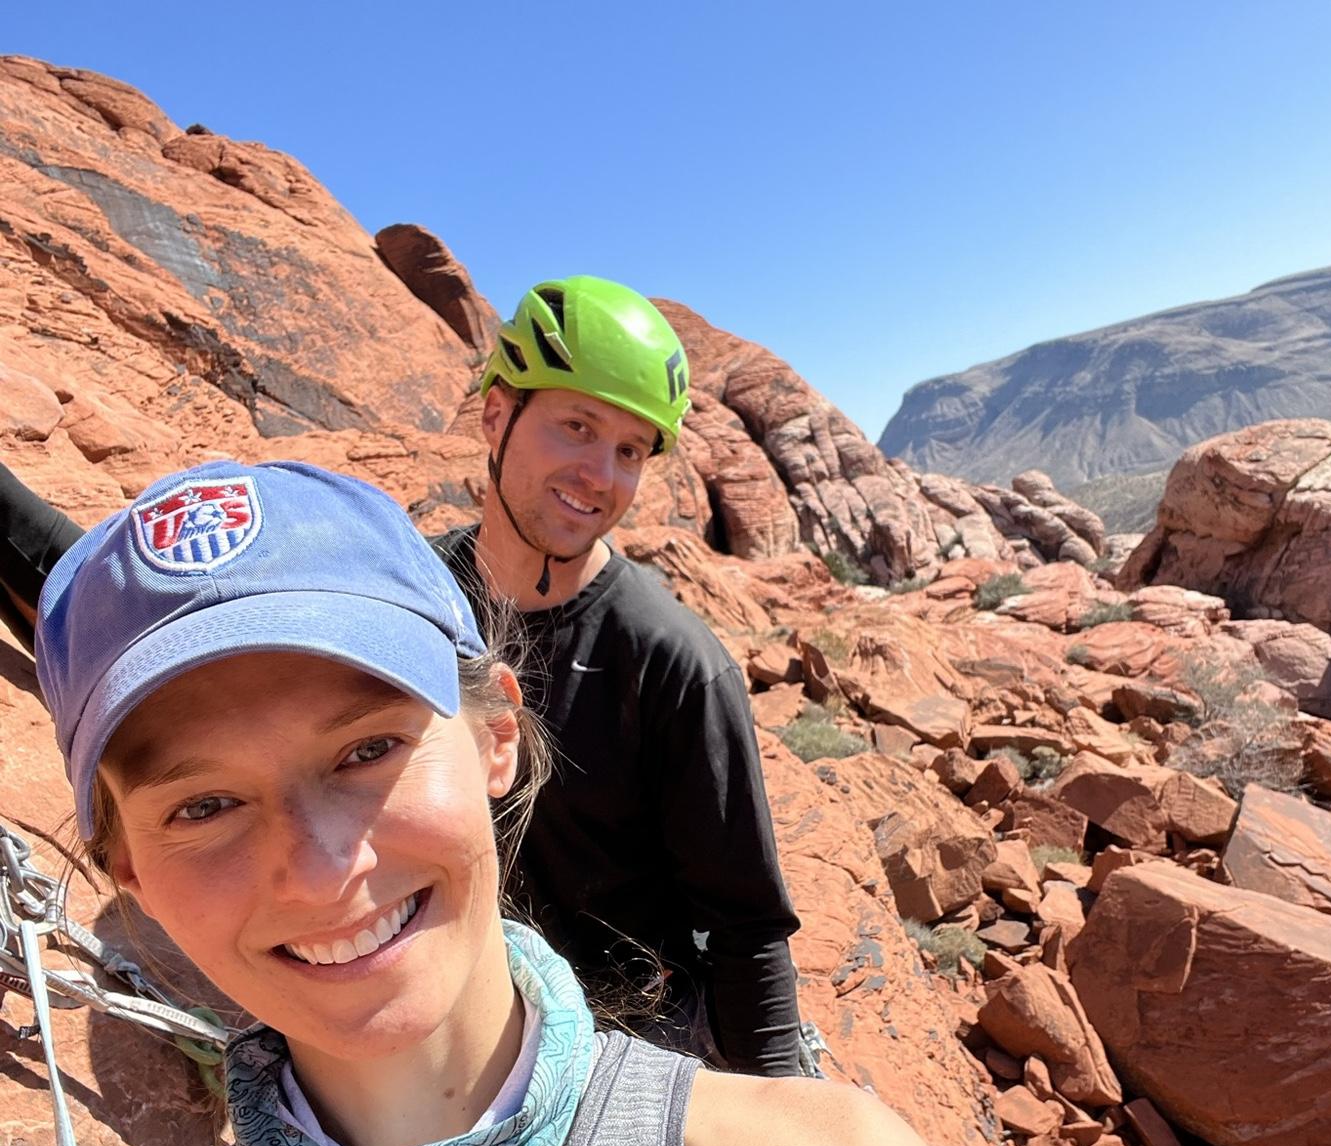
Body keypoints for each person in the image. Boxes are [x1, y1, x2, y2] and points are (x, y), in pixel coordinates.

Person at [0, 462, 1129, 1146]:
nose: (317, 865)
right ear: (130, 874)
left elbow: (744, 915)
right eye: (203, 807)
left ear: (496, 733)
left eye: (366, 750)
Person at [0, 275, 803, 1077]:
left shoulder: (669, 659)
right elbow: (187, 637)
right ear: (497, 416)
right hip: (427, 1007)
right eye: (577, 427)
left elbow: (746, 929)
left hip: (617, 1048)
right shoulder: (408, 591)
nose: (601, 473)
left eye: (630, 450)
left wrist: (781, 1121)